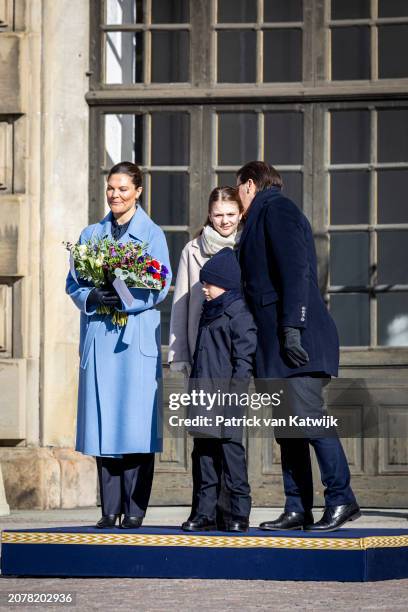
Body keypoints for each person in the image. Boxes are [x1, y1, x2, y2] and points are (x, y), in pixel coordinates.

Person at [236, 161, 361, 532]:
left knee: (309, 417)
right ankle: (297, 507)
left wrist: (293, 326)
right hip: (275, 344)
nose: (238, 196)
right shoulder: (258, 217)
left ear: (249, 184)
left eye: (238, 188)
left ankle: (342, 499)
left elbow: (297, 270)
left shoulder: (277, 208)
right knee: (288, 427)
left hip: (296, 341)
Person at [66, 161, 171, 529]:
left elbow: (159, 285)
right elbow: (73, 283)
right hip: (100, 337)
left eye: (123, 189)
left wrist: (125, 297)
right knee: (103, 424)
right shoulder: (90, 234)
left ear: (138, 191)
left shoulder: (153, 234)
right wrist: (93, 295)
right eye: (112, 188)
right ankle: (109, 509)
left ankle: (135, 510)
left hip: (135, 341)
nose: (116, 195)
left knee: (136, 425)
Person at [168, 186, 242, 527]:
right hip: (202, 357)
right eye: (218, 214)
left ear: (240, 214)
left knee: (231, 439)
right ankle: (203, 511)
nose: (224, 221)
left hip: (236, 357)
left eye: (230, 213)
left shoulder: (247, 247)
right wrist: (179, 354)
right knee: (204, 440)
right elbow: (181, 305)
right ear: (209, 215)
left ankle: (233, 513)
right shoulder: (192, 251)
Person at [181, 247, 257, 533]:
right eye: (202, 282)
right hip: (203, 395)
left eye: (208, 283)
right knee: (203, 456)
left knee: (231, 456)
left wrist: (234, 401)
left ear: (225, 283)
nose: (204, 288)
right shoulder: (208, 312)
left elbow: (243, 362)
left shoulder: (238, 315)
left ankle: (239, 513)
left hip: (227, 400)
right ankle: (204, 513)